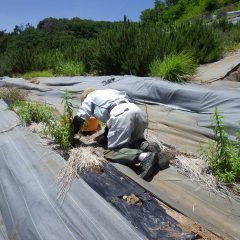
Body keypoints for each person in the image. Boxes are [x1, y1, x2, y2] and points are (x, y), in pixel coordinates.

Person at [73, 88, 167, 180]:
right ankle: (149, 148)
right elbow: (112, 122)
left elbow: (79, 119)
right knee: (135, 141)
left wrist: (71, 135)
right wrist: (106, 137)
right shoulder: (109, 92)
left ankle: (145, 157)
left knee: (112, 152)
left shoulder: (89, 97)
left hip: (121, 114)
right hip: (137, 111)